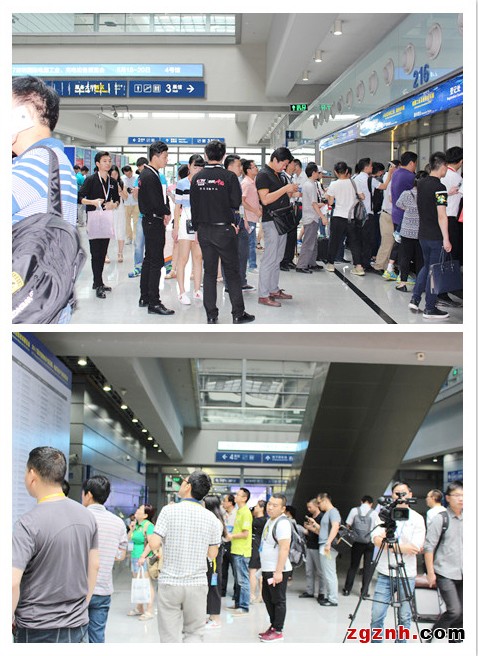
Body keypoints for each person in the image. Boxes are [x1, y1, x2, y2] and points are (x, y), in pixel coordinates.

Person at [12, 447, 99, 643]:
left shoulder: (27, 523)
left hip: (38, 630)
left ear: (32, 475)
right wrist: (82, 607)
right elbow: (95, 565)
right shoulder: (87, 516)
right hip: (78, 626)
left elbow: (12, 582)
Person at [12, 76, 78, 322]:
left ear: (22, 116)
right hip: (40, 299)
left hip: (24, 301)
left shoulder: (36, 163)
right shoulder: (52, 159)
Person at [148, 472, 222, 643]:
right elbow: (212, 554)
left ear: (188, 486)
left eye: (183, 482)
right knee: (194, 633)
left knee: (169, 636)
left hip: (170, 582)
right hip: (197, 584)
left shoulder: (168, 511)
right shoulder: (211, 518)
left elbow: (154, 544)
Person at [190, 139, 254, 324]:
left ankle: (211, 315)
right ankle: (238, 314)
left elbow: (194, 206)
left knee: (209, 273)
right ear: (223, 155)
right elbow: (235, 202)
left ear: (206, 155)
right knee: (232, 272)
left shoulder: (197, 178)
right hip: (224, 229)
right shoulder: (229, 177)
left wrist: (196, 228)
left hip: (204, 230)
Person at [370, 481, 426, 642]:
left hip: (406, 574)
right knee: (377, 615)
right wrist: (401, 547)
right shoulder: (384, 515)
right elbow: (376, 540)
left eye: (404, 493)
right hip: (384, 572)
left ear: (410, 495)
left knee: (404, 617)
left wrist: (390, 545)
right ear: (392, 495)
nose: (400, 496)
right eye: (397, 493)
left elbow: (415, 548)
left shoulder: (417, 518)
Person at [81, 475, 128, 642]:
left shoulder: (79, 517)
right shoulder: (118, 522)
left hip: (79, 589)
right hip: (103, 589)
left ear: (88, 494)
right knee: (97, 636)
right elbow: (121, 555)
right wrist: (107, 554)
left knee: (76, 637)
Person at [409, 151, 452, 320]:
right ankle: (430, 308)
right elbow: (442, 215)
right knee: (435, 272)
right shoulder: (440, 187)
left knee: (427, 267)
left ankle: (415, 298)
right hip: (435, 236)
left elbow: (427, 204)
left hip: (423, 234)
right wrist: (446, 239)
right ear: (443, 166)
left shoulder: (421, 183)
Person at [256, 147, 298, 307]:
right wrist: (285, 189)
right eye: (283, 164)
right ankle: (263, 294)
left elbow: (279, 195)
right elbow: (265, 199)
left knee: (278, 257)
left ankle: (273, 289)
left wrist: (289, 191)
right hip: (271, 220)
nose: (284, 167)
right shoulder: (263, 175)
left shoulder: (277, 175)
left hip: (282, 220)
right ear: (275, 159)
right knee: (270, 258)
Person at [137, 141, 175, 316]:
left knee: (149, 259)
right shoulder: (149, 175)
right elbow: (155, 201)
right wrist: (166, 211)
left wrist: (165, 211)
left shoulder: (150, 173)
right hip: (153, 221)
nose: (167, 160)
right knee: (155, 262)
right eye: (165, 157)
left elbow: (159, 199)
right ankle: (154, 302)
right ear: (155, 156)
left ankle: (145, 297)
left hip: (152, 220)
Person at [424, 481, 463, 642]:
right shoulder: (441, 519)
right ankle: (431, 636)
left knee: (463, 614)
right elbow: (428, 547)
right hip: (445, 572)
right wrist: (430, 573)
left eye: (464, 495)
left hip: (464, 572)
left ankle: (456, 643)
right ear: (447, 498)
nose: (461, 499)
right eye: (457, 495)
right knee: (454, 611)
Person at [78, 151, 120, 298]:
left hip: (107, 218)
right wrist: (93, 202)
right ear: (97, 164)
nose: (108, 163)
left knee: (103, 252)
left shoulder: (112, 182)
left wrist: (113, 205)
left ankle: (98, 282)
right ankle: (98, 283)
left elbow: (117, 200)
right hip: (94, 218)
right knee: (96, 252)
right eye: (104, 161)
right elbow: (79, 197)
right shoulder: (91, 180)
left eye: (109, 161)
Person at [258, 493, 292, 642]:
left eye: (274, 505)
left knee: (278, 600)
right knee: (268, 598)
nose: (270, 507)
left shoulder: (283, 523)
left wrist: (278, 571)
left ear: (283, 508)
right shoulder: (271, 520)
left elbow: (284, 548)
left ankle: (278, 630)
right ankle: (273, 626)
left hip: (277, 570)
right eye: (269, 504)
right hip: (268, 568)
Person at [173, 154, 205, 306]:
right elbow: (177, 206)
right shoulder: (182, 183)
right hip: (186, 220)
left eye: (200, 167)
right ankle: (181, 292)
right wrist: (175, 227)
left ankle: (197, 290)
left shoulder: (204, 183)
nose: (198, 170)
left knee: (198, 257)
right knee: (183, 258)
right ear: (189, 167)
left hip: (200, 222)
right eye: (195, 167)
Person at [325, 161, 364, 275]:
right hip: (351, 218)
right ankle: (359, 267)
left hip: (338, 217)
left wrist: (328, 195)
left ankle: (331, 264)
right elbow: (362, 196)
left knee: (334, 241)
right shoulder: (353, 182)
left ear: (336, 172)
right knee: (354, 243)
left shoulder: (334, 184)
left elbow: (330, 202)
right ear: (347, 171)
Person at [223, 154, 255, 292]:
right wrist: (230, 222)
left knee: (243, 253)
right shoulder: (223, 182)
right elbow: (223, 205)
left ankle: (242, 281)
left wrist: (244, 220)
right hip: (229, 222)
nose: (241, 168)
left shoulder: (237, 181)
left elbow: (240, 204)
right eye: (238, 166)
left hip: (240, 221)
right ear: (230, 167)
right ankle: (229, 284)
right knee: (229, 255)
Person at [394, 171, 427, 292]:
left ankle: (402, 283)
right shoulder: (427, 196)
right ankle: (420, 284)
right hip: (421, 232)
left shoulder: (406, 193)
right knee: (420, 259)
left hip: (406, 231)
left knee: (405, 258)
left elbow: (398, 204)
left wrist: (409, 209)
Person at [342, 495, 379, 597]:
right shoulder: (374, 513)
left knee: (353, 566)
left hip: (357, 542)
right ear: (371, 504)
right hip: (369, 543)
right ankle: (364, 592)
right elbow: (377, 528)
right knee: (367, 567)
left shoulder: (354, 510)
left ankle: (347, 589)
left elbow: (348, 525)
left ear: (361, 501)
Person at [126, 503, 156, 621]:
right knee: (138, 583)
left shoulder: (148, 526)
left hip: (143, 559)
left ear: (145, 515)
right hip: (134, 557)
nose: (137, 510)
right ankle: (139, 608)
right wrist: (131, 529)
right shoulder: (136, 525)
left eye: (140, 509)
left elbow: (151, 543)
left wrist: (143, 556)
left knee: (146, 584)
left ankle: (149, 610)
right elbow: (129, 539)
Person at [226, 487, 253, 615]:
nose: (235, 496)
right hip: (236, 549)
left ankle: (244, 606)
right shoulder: (239, 511)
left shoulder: (246, 512)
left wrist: (231, 536)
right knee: (238, 580)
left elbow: (245, 533)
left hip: (242, 551)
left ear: (244, 498)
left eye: (238, 494)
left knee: (243, 580)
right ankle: (238, 603)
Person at [296, 162, 327, 273]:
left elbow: (312, 202)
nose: (319, 174)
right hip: (310, 217)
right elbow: (313, 203)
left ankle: (311, 262)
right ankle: (301, 265)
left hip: (311, 216)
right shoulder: (310, 185)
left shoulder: (310, 184)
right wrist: (322, 216)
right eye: (318, 172)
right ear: (313, 173)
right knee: (308, 243)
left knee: (313, 242)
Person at [203, 495, 228, 630]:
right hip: (211, 558)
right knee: (211, 586)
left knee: (214, 586)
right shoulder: (214, 519)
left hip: (213, 560)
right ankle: (211, 616)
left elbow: (214, 544)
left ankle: (216, 618)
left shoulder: (215, 522)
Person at [315, 492, 341, 606]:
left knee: (329, 572)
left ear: (325, 500)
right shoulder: (328, 513)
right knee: (327, 572)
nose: (318, 505)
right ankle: (330, 597)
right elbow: (325, 530)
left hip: (327, 547)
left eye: (319, 502)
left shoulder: (333, 512)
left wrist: (328, 543)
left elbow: (335, 526)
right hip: (325, 545)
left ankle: (333, 599)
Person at [300, 498, 326, 601]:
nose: (308, 509)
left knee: (320, 571)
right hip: (309, 545)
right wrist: (305, 529)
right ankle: (310, 591)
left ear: (316, 506)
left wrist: (311, 528)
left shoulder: (322, 517)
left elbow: (323, 532)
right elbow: (309, 532)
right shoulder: (310, 517)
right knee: (309, 570)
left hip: (318, 547)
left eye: (310, 507)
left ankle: (322, 592)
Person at [128, 156, 149, 278]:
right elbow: (136, 197)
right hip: (142, 215)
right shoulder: (139, 179)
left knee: (153, 245)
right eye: (140, 170)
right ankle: (138, 267)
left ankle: (152, 267)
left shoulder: (159, 176)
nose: (141, 172)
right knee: (138, 243)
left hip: (155, 217)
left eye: (142, 169)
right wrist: (136, 193)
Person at [241, 160, 262, 273]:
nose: (256, 168)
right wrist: (255, 210)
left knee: (251, 242)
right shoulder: (246, 183)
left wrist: (259, 208)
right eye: (254, 167)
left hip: (252, 217)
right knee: (251, 243)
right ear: (248, 170)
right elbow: (242, 201)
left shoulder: (252, 182)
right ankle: (252, 266)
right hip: (248, 218)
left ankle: (251, 265)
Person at [109, 164, 128, 263]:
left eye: (115, 174)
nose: (114, 176)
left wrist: (120, 190)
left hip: (120, 209)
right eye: (112, 174)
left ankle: (120, 253)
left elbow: (126, 197)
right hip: (109, 209)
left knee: (121, 230)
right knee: (107, 231)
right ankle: (105, 254)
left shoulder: (121, 183)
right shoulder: (106, 183)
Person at [249, 499, 267, 603]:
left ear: (261, 508)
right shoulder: (266, 521)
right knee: (260, 573)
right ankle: (261, 595)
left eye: (256, 506)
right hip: (262, 548)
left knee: (252, 571)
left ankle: (252, 595)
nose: (254, 508)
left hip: (255, 546)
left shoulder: (256, 521)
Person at [221, 493, 238, 598]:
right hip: (223, 544)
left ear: (231, 503)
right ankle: (222, 591)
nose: (223, 503)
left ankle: (236, 592)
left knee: (235, 570)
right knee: (223, 569)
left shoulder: (237, 514)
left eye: (225, 501)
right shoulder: (222, 514)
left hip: (233, 543)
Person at [121, 164, 139, 245]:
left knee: (136, 221)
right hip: (126, 202)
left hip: (136, 202)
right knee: (126, 221)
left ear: (132, 171)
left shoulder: (137, 177)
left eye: (129, 174)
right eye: (126, 174)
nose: (128, 176)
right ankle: (129, 237)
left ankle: (135, 238)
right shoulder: (122, 178)